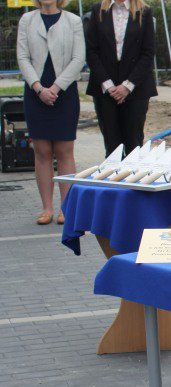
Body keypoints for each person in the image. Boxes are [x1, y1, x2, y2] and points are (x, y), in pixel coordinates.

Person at [16, 0, 84, 225]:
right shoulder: (27, 20)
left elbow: (78, 59)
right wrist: (38, 88)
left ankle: (67, 207)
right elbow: (22, 57)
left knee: (64, 150)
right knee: (42, 151)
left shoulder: (73, 21)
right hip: (35, 92)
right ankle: (46, 208)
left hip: (63, 91)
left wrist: (55, 88)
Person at [84, 0, 157, 157]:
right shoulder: (98, 10)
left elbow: (148, 52)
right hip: (105, 89)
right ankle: (113, 172)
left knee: (134, 145)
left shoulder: (144, 11)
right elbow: (91, 50)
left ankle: (132, 173)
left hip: (136, 88)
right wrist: (108, 85)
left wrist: (127, 86)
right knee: (112, 147)